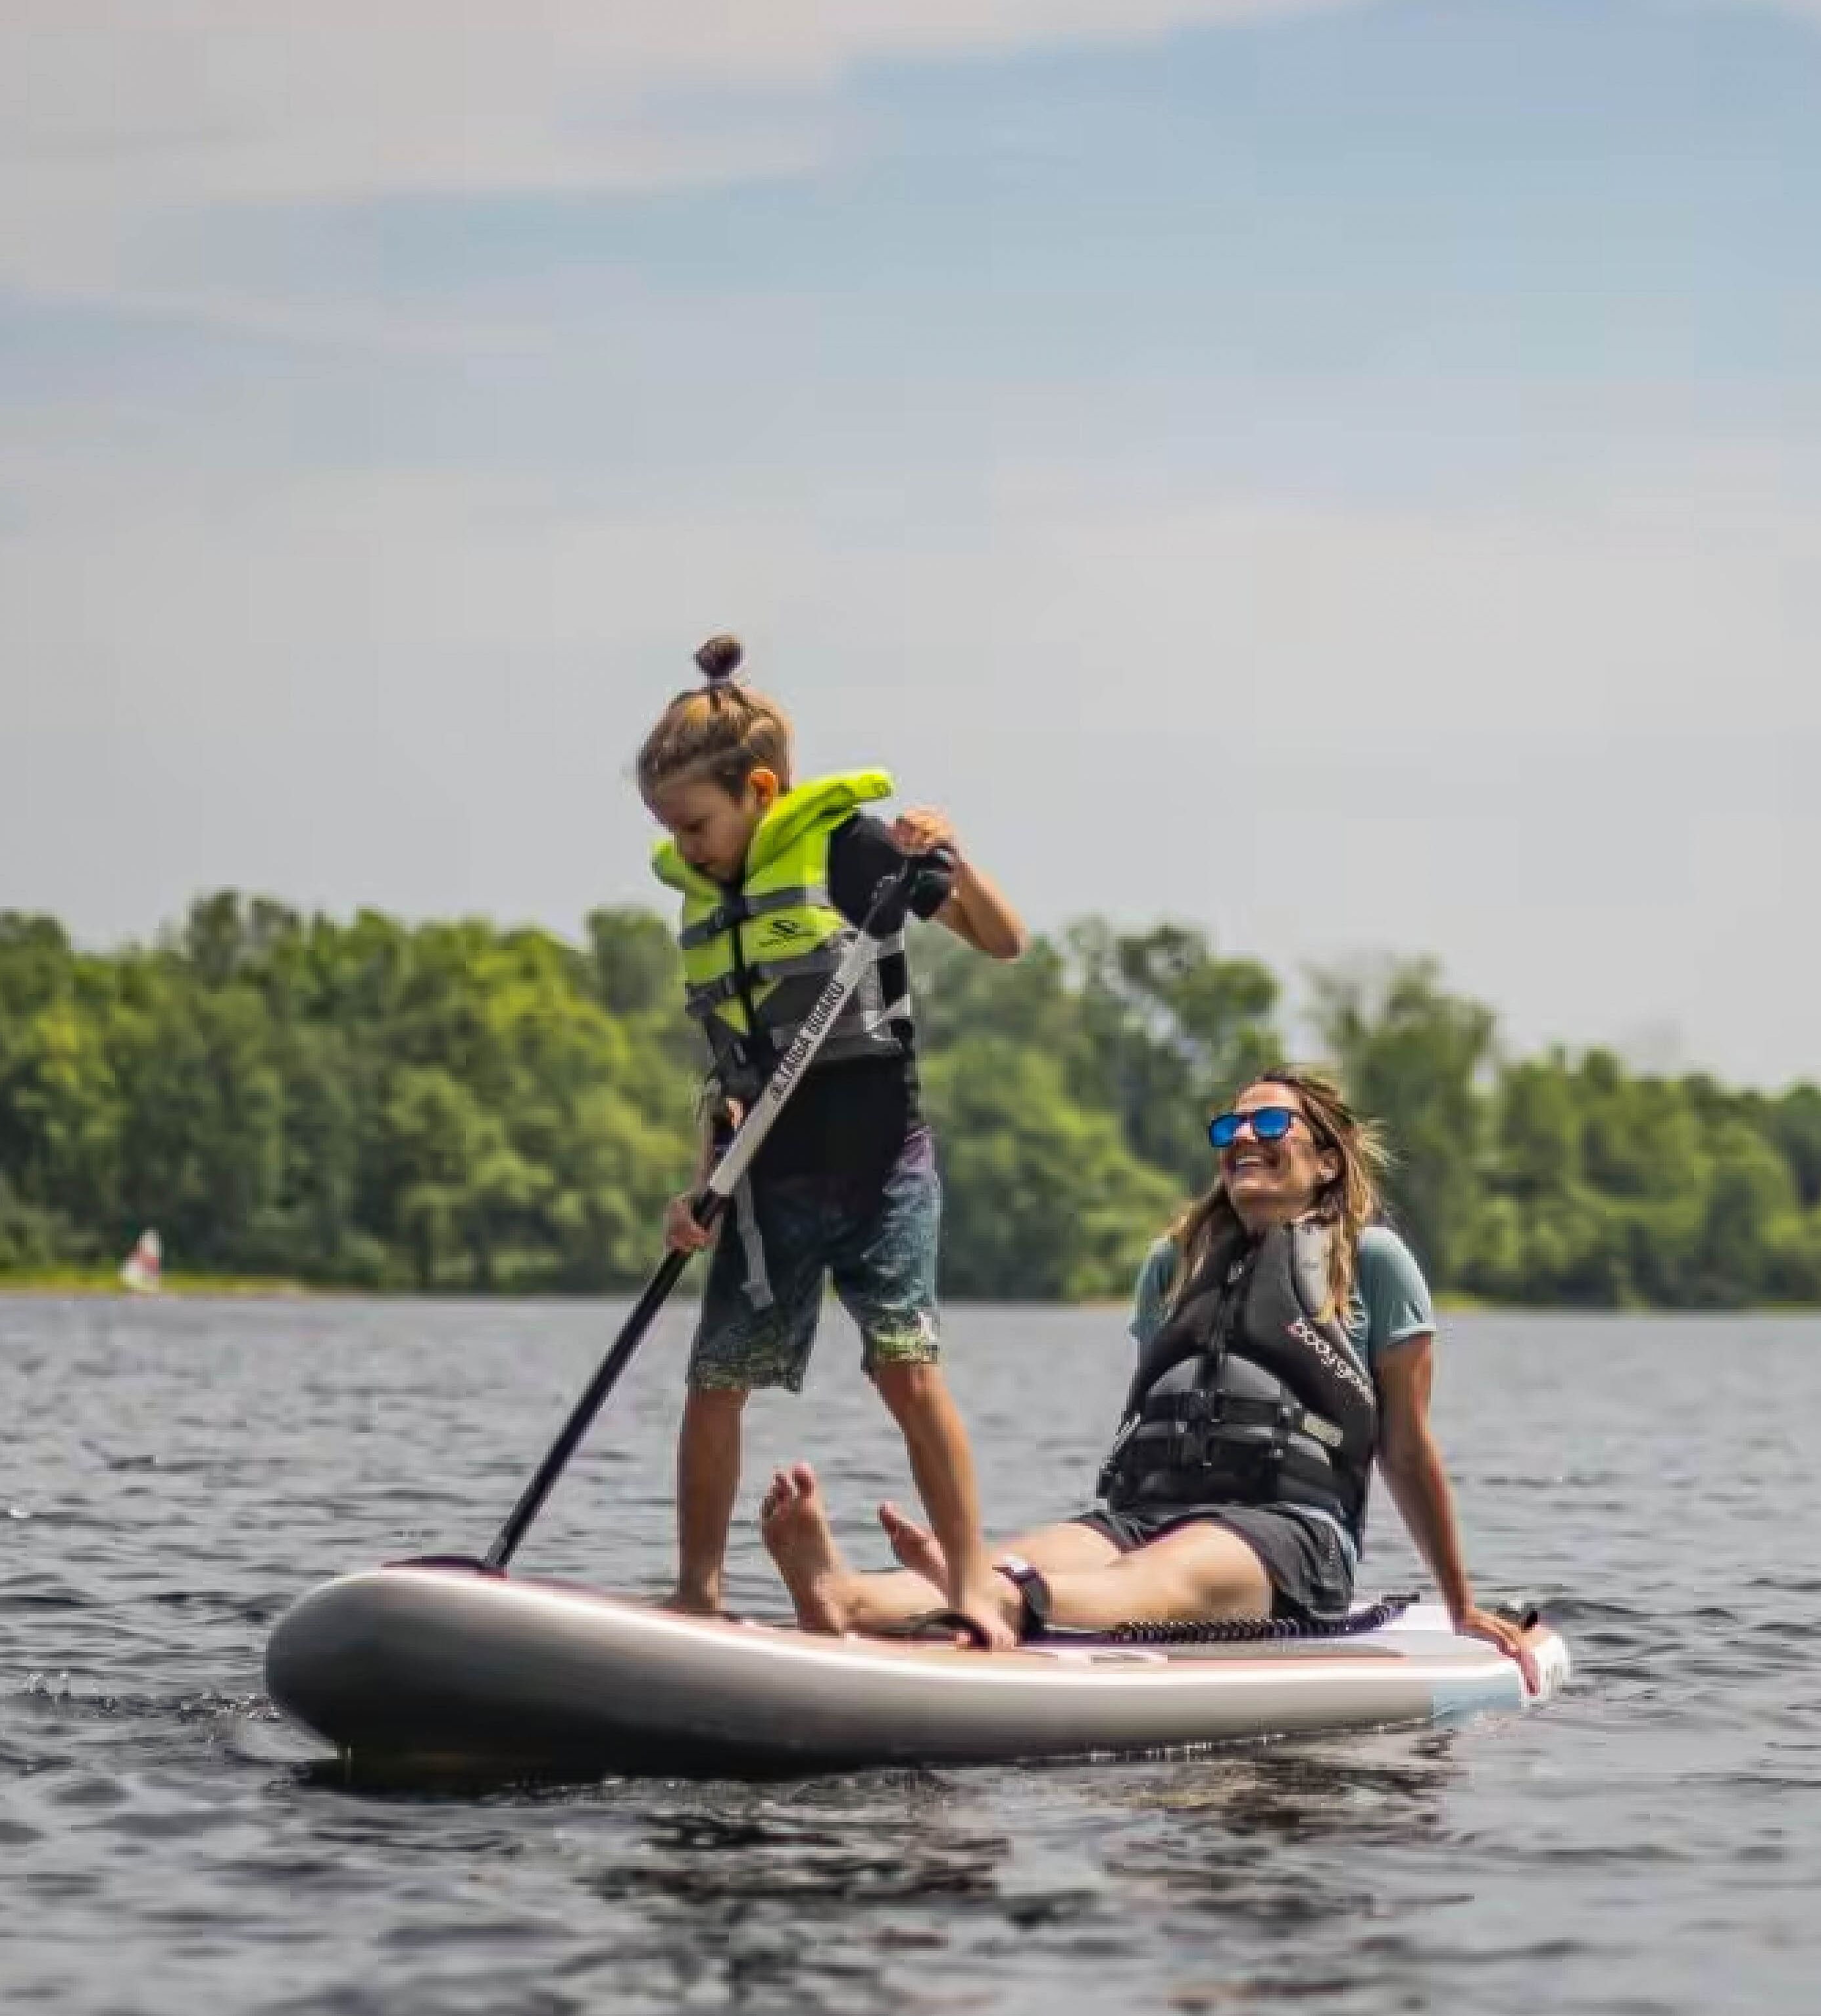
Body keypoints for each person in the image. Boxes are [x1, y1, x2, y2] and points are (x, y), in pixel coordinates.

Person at [751, 1069, 1538, 1674]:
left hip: (1286, 1530)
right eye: (1230, 1125)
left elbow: (1406, 1449)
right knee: (1011, 1556)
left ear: (1326, 1160)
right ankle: (848, 1596)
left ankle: (1006, 1601)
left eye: (1270, 1122)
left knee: (1156, 1574)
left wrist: (1461, 1604)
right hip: (1143, 1507)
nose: (1243, 1137)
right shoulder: (1174, 1263)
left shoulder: (1371, 1261)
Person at [636, 633, 1028, 1646]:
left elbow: (1003, 939)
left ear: (761, 789)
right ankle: (697, 1590)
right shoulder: (708, 902)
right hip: (766, 1184)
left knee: (906, 1369)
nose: (685, 847)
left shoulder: (851, 851)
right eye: (669, 831)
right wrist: (696, 1189)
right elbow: (727, 1075)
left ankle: (973, 1583)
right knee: (714, 1381)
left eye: (696, 824)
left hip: (881, 1166)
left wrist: (946, 858)